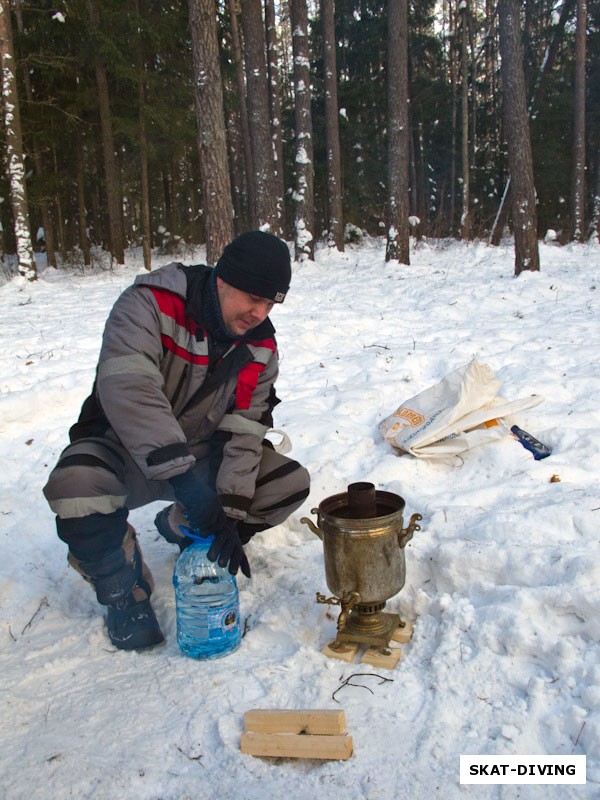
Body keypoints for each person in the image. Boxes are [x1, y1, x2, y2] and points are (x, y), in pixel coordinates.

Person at [43, 231, 310, 651]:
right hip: (124, 452)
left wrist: (230, 512)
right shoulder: (150, 303)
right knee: (75, 488)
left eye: (271, 303)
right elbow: (131, 389)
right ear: (223, 278)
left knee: (284, 482)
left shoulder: (260, 347)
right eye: (251, 298)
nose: (259, 312)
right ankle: (124, 588)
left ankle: (183, 526)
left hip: (198, 458)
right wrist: (185, 480)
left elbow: (245, 429)